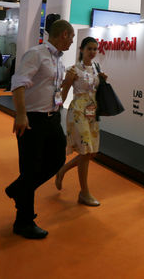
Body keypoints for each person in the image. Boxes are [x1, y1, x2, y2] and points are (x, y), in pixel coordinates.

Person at [5, 19, 74, 239]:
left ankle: (18, 189)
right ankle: (23, 221)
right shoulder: (36, 54)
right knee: (30, 168)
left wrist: (67, 86)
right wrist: (21, 114)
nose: (73, 41)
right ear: (63, 34)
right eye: (71, 37)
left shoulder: (59, 61)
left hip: (52, 118)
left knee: (56, 160)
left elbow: (55, 93)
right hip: (32, 119)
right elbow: (18, 83)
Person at [55, 37, 107, 206]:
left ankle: (62, 170)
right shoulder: (74, 69)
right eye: (89, 48)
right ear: (82, 49)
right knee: (85, 151)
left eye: (95, 49)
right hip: (78, 111)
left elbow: (97, 90)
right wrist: (55, 109)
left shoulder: (96, 67)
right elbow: (64, 91)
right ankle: (84, 193)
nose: (92, 52)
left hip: (92, 111)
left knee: (92, 152)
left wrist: (103, 79)